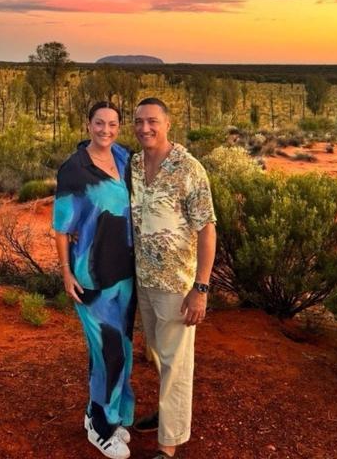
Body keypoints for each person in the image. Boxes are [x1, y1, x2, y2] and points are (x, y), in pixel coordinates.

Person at [131, 97, 218, 458]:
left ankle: (168, 445)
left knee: (176, 362)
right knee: (158, 352)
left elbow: (207, 229)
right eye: (138, 122)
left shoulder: (188, 168)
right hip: (143, 278)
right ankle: (167, 414)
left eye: (152, 121)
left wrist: (200, 288)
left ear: (168, 124)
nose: (145, 128)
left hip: (176, 284)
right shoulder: (134, 164)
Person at [54, 102, 136, 459]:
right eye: (99, 123)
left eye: (113, 123)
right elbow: (61, 228)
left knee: (120, 350)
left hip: (126, 272)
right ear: (87, 124)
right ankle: (102, 430)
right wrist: (66, 272)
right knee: (109, 352)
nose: (106, 130)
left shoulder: (123, 157)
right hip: (91, 276)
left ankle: (100, 414)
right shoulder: (74, 169)